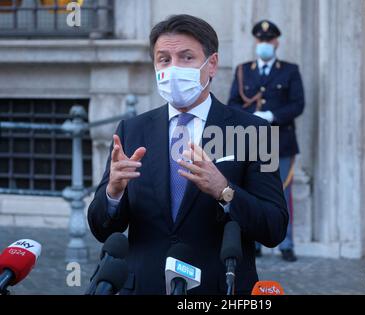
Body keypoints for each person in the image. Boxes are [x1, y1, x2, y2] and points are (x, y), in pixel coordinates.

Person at [88, 14, 288, 295]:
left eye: (186, 58)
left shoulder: (255, 131)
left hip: (218, 288)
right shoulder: (132, 130)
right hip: (144, 287)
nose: (173, 69)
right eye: (164, 59)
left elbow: (274, 227)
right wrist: (113, 193)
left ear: (212, 65)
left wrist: (225, 191)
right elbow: (102, 228)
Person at [228, 20, 305, 262]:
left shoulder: (289, 70)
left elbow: (297, 104)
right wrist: (252, 118)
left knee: (283, 192)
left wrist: (271, 116)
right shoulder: (243, 70)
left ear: (276, 43)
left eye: (268, 40)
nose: (264, 44)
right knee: (250, 192)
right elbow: (233, 104)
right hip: (252, 142)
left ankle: (286, 243)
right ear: (256, 42)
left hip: (281, 141)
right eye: (260, 40)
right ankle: (256, 241)